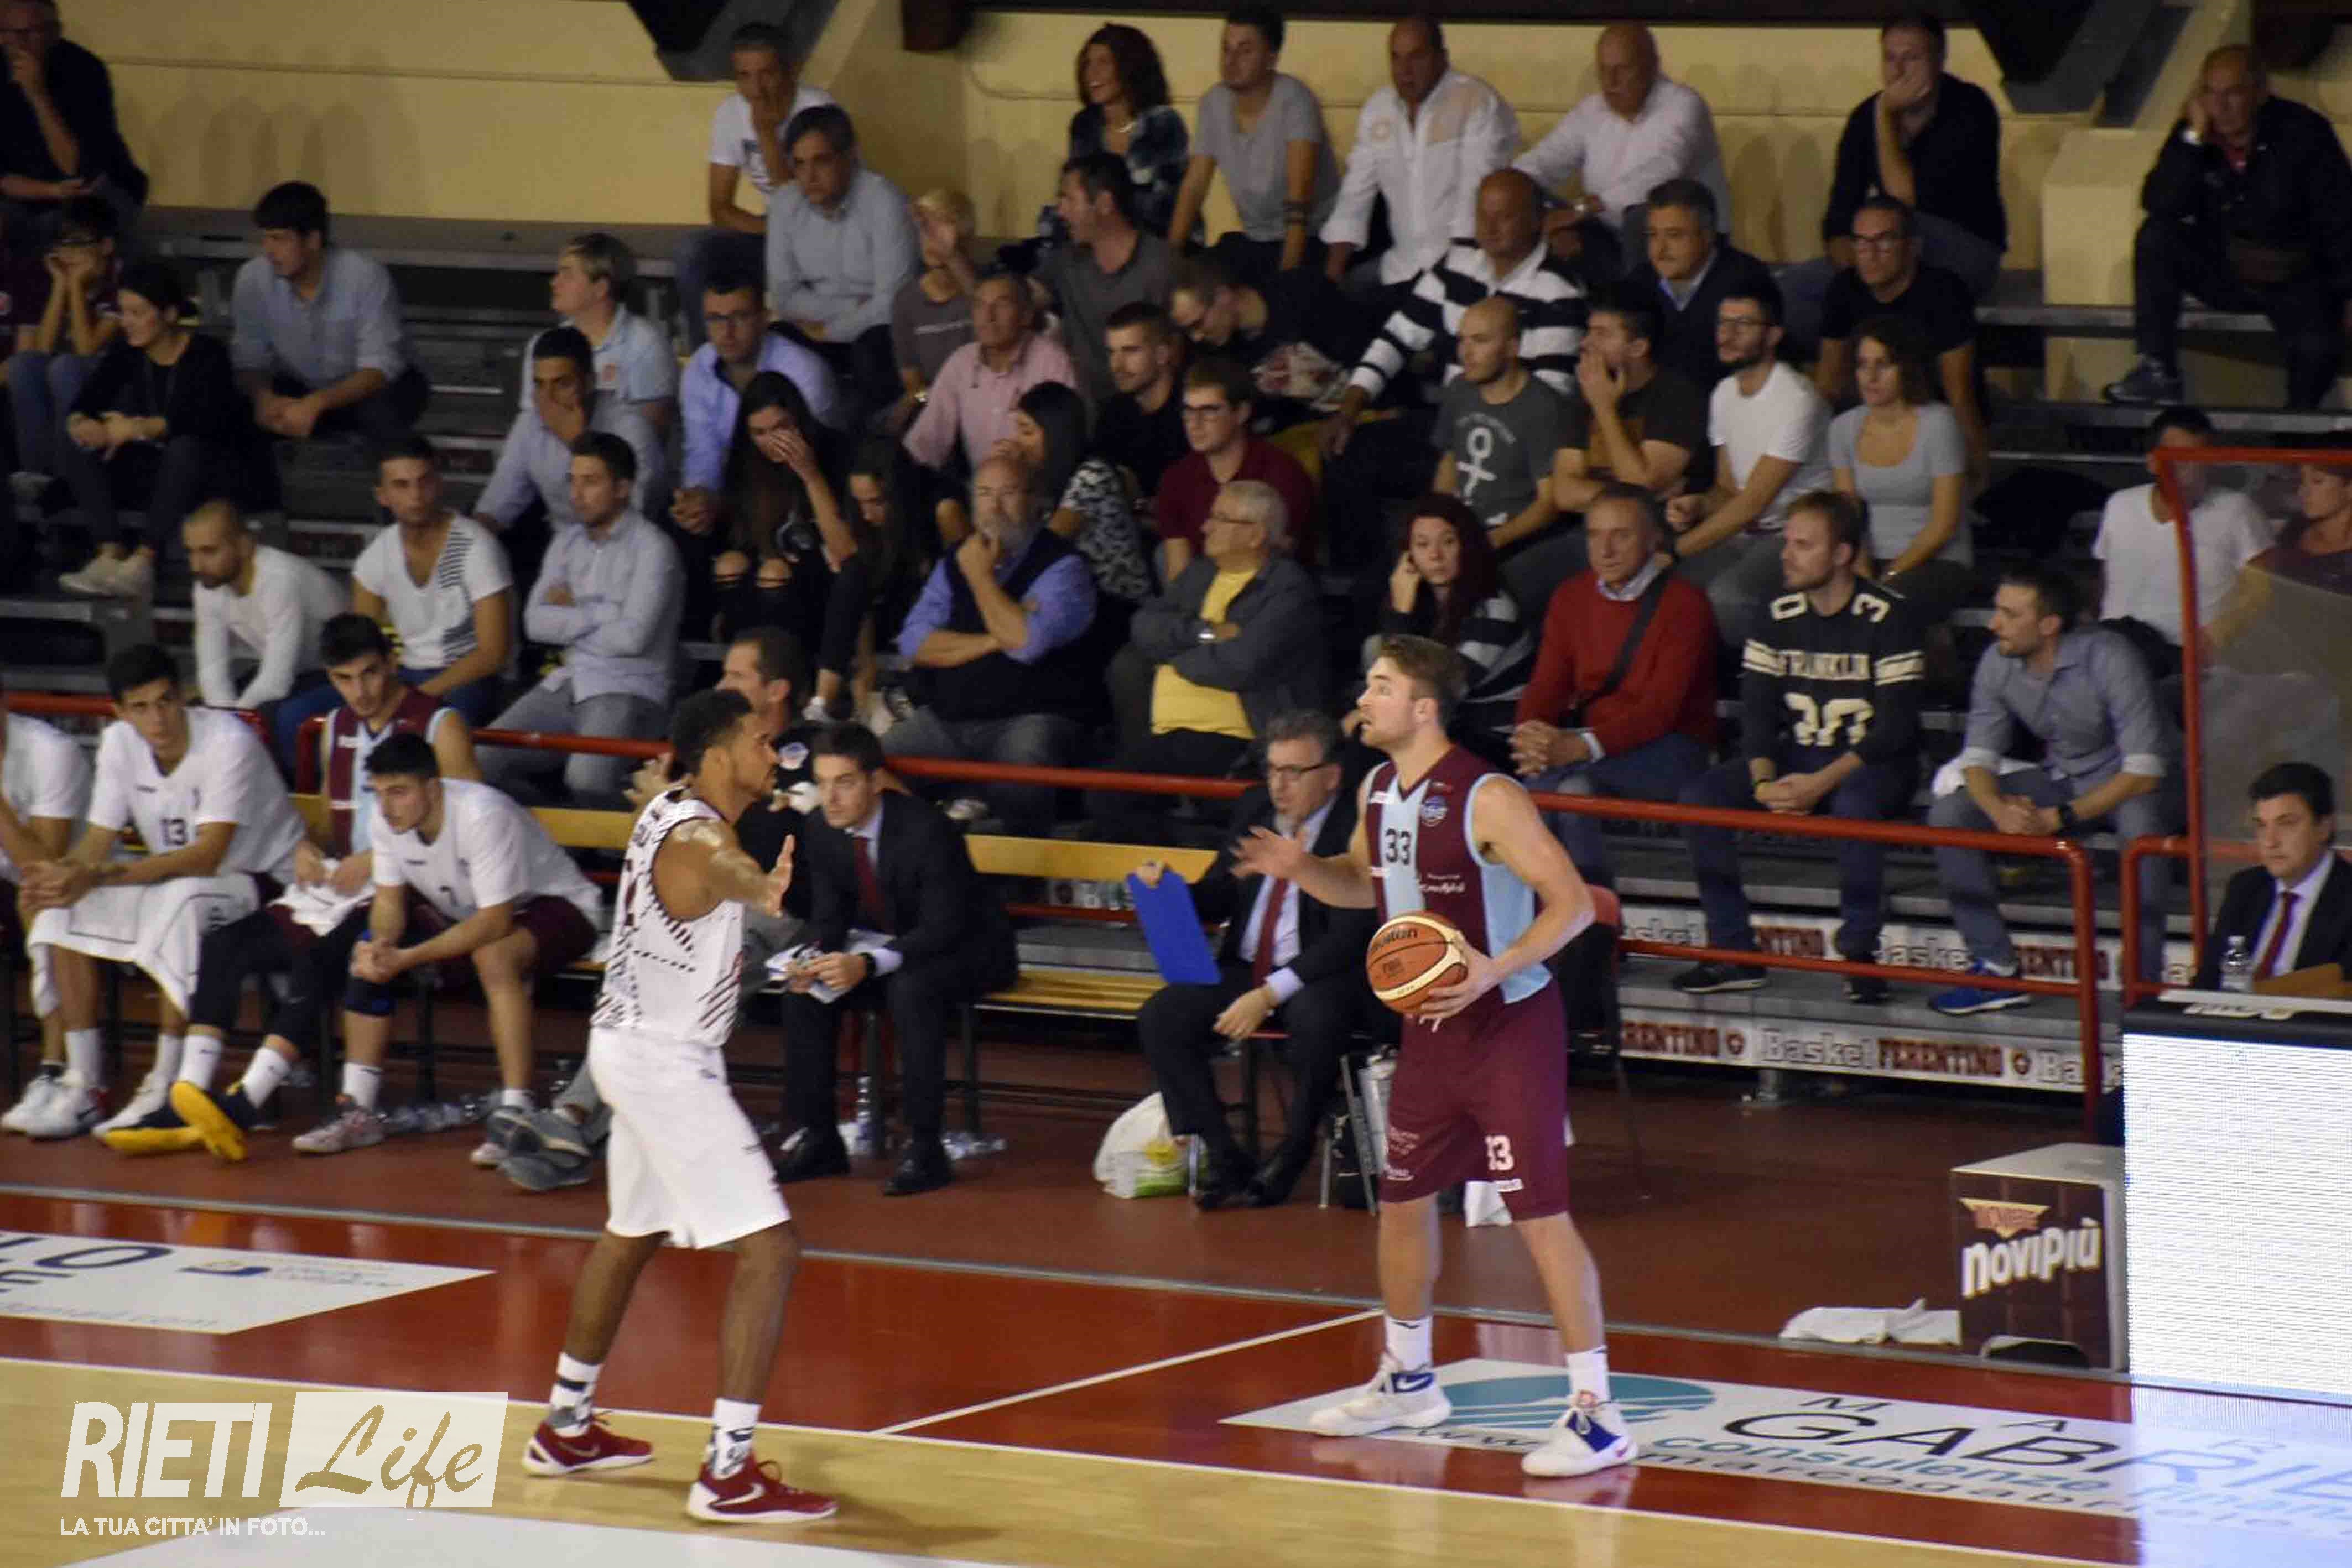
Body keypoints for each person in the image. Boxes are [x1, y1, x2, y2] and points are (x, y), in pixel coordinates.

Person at [1236, 633, 1633, 1480]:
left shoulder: (1489, 796)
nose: (1363, 698)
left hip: (1509, 1027)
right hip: (1430, 1031)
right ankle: (1409, 1377)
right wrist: (1301, 867)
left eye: (1380, 685)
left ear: (1423, 708)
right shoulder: (1377, 789)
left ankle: (1599, 1412)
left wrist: (1496, 965)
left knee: (1539, 1215)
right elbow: (1362, 883)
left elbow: (1573, 904)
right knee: (1404, 1200)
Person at [516, 688, 836, 1524]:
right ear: (720, 755)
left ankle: (565, 1425)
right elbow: (719, 867)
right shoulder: (702, 835)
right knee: (771, 1248)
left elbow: (695, 912)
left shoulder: (667, 809)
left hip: (626, 1046)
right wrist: (761, 885)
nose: (772, 754)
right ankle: (728, 1472)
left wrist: (773, 950)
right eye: (760, 741)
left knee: (632, 1232)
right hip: (663, 1063)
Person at [155, 616, 479, 1165]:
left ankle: (250, 1099)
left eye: (370, 673)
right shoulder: (334, 727)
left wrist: (375, 860)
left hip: (421, 891)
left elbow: (466, 826)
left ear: (392, 663)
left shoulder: (440, 725)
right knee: (227, 942)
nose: (361, 691)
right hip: (344, 888)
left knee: (325, 956)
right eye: (345, 679)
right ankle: (187, 1093)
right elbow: (330, 824)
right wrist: (307, 847)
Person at [19, 643, 305, 1139]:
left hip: (264, 880)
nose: (158, 719)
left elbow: (207, 855)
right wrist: (64, 876)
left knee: (182, 904)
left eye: (166, 701)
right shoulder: (117, 743)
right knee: (63, 905)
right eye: (141, 707)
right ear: (120, 711)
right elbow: (98, 839)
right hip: (179, 878)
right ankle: (84, 1083)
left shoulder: (228, 742)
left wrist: (99, 874)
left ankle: (167, 1082)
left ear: (184, 697)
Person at [288, 734, 605, 1163]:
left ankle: (516, 1108)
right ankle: (356, 1110)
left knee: (493, 957)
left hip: (558, 906)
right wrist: (382, 945)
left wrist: (408, 958)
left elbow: (495, 922)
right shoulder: (387, 821)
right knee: (366, 951)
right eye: (379, 793)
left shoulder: (482, 815)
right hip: (466, 913)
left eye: (399, 792)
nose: (386, 807)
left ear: (433, 788)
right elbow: (389, 903)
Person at [1673, 493, 1924, 1003]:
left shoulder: (1889, 616)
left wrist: (1818, 784)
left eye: (1803, 545)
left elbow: (1894, 730)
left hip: (1874, 763)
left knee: (1855, 806)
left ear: (1843, 554)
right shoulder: (1775, 614)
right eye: (1787, 542)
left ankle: (1860, 954)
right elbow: (1758, 715)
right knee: (1702, 796)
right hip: (1800, 753)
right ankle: (1732, 950)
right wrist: (1765, 782)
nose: (1786, 555)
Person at [1136, 710, 1386, 1208]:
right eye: (1272, 770)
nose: (1279, 786)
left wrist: (1270, 994)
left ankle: (1294, 1150)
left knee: (1319, 1018)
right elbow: (1222, 893)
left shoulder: (1354, 827)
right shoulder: (1255, 808)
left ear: (1331, 777)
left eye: (1294, 772)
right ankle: (1223, 1153)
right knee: (1163, 1015)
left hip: (1321, 973)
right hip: (1248, 965)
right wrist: (1169, 890)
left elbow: (1351, 937)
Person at [774, 723, 1017, 1197]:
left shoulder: (928, 829)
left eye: (844, 783)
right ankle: (820, 1137)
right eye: (822, 783)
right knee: (805, 993)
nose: (831, 798)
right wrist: (812, 959)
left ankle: (925, 1147)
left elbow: (944, 926)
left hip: (967, 949)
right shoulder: (820, 828)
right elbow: (829, 917)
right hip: (891, 949)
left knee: (912, 988)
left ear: (875, 781)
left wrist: (867, 964)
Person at [1927, 568, 2178, 1012]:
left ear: (2049, 625)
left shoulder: (2110, 655)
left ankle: (2145, 985)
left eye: (2010, 614)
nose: (1994, 624)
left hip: (2136, 787)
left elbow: (2145, 770)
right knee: (1951, 813)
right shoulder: (1998, 660)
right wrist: (1998, 809)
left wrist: (2057, 818)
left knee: (2141, 828)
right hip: (2063, 778)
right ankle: (1996, 968)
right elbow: (1978, 757)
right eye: (1997, 610)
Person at [2106, 46, 2352, 412]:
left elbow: (2341, 217)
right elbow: (2161, 203)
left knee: (2315, 356)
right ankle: (2157, 371)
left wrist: (2348, 291)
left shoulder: (2303, 132)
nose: (2220, 106)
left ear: (2259, 93)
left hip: (2295, 276)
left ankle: (2295, 434)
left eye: (2233, 93)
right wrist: (2192, 140)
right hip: (2226, 269)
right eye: (2209, 93)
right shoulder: (2195, 134)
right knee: (2157, 236)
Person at [1318, 169, 1585, 483]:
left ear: (1537, 221)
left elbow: (1550, 399)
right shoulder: (1458, 261)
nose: (1490, 228)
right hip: (1445, 423)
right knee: (1343, 450)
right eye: (1483, 216)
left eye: (1505, 217)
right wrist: (1348, 411)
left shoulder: (1559, 292)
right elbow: (1397, 337)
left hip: (1509, 440)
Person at [1514, 485, 1719, 889]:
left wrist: (1581, 746)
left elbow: (1660, 711)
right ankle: (1546, 914)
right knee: (1525, 794)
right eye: (1594, 535)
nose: (1605, 550)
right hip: (1593, 743)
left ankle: (1597, 915)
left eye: (1621, 536)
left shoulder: (1685, 604)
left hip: (1672, 746)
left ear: (1653, 539)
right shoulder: (1571, 596)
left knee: (1574, 793)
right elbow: (1547, 685)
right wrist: (1531, 737)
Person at [1093, 479, 1325, 835]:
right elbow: (1144, 626)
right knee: (1102, 794)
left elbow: (1241, 665)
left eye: (1219, 518)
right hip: (1169, 736)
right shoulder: (1200, 574)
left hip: (1235, 739)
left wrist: (1172, 658)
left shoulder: (1288, 587)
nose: (1205, 527)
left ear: (1255, 535)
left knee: (1118, 798)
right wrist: (1204, 634)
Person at [886, 452, 1097, 833]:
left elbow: (1027, 645)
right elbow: (914, 642)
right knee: (873, 767)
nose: (995, 507)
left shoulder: (1065, 566)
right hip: (948, 720)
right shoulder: (955, 561)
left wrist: (981, 577)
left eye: (1008, 493)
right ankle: (925, 850)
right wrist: (994, 640)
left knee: (1022, 772)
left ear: (1036, 502)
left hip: (1029, 717)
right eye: (984, 494)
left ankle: (1022, 865)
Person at [480, 434, 684, 809]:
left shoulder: (653, 547)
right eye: (572, 480)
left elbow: (633, 639)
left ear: (622, 488)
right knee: (479, 760)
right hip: (570, 681)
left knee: (587, 781)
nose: (576, 493)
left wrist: (570, 617)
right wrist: (604, 613)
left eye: (590, 482)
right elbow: (534, 623)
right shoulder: (566, 541)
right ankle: (550, 829)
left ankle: (635, 841)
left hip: (629, 687)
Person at [1784, 11, 2007, 350]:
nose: (1898, 71)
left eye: (1911, 58)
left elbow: (1907, 201)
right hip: (1882, 253)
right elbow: (1841, 211)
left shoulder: (1970, 108)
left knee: (1891, 234)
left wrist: (1886, 117)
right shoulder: (1864, 116)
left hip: (1962, 249)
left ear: (1940, 60)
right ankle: (1863, 372)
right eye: (1890, 58)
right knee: (1786, 292)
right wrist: (1850, 263)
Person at [54, 259, 262, 601]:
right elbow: (88, 400)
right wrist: (85, 424)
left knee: (184, 447)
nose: (127, 323)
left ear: (169, 314)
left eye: (138, 313)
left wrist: (140, 428)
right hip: (150, 470)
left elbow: (209, 419)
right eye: (124, 313)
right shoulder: (127, 351)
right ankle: (110, 551)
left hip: (204, 473)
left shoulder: (208, 354)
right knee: (76, 439)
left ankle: (144, 560)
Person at [1665, 284, 1834, 649]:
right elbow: (1728, 489)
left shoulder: (1796, 400)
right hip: (1746, 532)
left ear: (1773, 335)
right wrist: (1698, 504)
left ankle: (1759, 677)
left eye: (1743, 324)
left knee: (1729, 596)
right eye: (1723, 322)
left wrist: (1674, 550)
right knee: (1672, 586)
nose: (1727, 334)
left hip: (1793, 533)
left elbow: (1754, 501)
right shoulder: (1723, 393)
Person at [700, 373, 865, 718]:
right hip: (772, 579)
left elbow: (846, 550)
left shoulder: (836, 452)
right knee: (730, 565)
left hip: (825, 581)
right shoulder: (747, 464)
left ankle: (790, 688)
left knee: (774, 573)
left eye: (781, 428)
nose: (771, 441)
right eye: (759, 433)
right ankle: (744, 680)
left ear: (798, 420)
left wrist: (810, 474)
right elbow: (745, 538)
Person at [1321, 15, 1518, 300]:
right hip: (1399, 267)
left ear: (1442, 58)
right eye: (1396, 58)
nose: (1405, 70)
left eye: (1417, 57)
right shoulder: (1378, 110)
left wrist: (1443, 288)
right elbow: (1354, 199)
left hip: (1464, 270)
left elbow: (1473, 201)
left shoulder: (1475, 101)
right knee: (1326, 303)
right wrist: (1330, 283)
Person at [231, 181, 430, 445]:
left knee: (383, 415)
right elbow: (250, 358)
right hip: (301, 385)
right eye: (266, 238)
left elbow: (380, 366)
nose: (269, 250)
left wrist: (317, 403)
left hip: (371, 387)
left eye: (280, 239)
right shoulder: (253, 278)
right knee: (234, 414)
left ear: (313, 241)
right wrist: (263, 399)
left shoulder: (364, 276)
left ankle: (400, 471)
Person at [677, 20, 834, 349]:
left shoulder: (818, 109)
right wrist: (771, 229)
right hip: (774, 232)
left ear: (790, 70)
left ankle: (806, 361)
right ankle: (708, 359)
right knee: (694, 251)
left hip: (826, 232)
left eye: (767, 74)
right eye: (744, 77)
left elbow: (801, 208)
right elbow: (720, 209)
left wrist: (766, 135)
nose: (756, 89)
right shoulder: (730, 113)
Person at [1515, 23, 1731, 262]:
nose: (1611, 82)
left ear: (1652, 66)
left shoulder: (1684, 105)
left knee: (1645, 216)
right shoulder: (1591, 110)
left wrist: (1584, 209)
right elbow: (1546, 158)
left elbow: (1665, 171)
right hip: (1605, 233)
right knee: (1524, 196)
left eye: (1622, 70)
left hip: (1685, 238)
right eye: (1603, 71)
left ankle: (1632, 288)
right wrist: (1511, 188)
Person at [1548, 289, 1705, 604]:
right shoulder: (1584, 394)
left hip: (1653, 537)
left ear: (1638, 348)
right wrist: (1641, 495)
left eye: (1602, 334)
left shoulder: (1677, 396)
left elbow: (1642, 483)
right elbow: (1564, 492)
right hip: (1590, 531)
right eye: (1589, 332)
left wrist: (1604, 408)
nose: (1586, 344)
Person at [348, 436, 516, 729]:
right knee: (300, 715)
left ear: (438, 483)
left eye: (424, 482)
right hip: (407, 673)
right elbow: (363, 644)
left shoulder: (476, 546)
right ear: (382, 495)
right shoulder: (376, 555)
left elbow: (494, 653)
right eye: (401, 485)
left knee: (425, 727)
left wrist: (416, 697)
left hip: (471, 676)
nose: (416, 496)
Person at [1165, 6, 1342, 283]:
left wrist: (1287, 282)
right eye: (1226, 49)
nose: (1231, 60)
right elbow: (1194, 187)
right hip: (1255, 240)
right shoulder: (1214, 103)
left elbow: (1299, 203)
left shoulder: (1295, 101)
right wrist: (1169, 258)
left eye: (1245, 51)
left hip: (1312, 238)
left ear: (1272, 57)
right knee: (1197, 284)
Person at [764, 105, 917, 415]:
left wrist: (829, 331)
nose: (809, 176)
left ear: (851, 156)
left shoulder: (885, 201)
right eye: (799, 164)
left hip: (875, 332)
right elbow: (784, 296)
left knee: (874, 347)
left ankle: (872, 441)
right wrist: (850, 309)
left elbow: (892, 304)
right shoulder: (784, 205)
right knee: (776, 341)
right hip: (821, 327)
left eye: (821, 161)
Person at [1814, 197, 1986, 472]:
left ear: (1912, 247)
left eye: (1883, 242)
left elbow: (1959, 392)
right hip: (1871, 418)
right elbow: (1828, 384)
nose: (1870, 254)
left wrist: (1977, 467)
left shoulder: (1944, 292)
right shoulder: (1844, 290)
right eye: (1861, 242)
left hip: (1931, 422)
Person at [677, 269, 843, 550]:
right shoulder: (698, 368)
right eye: (716, 319)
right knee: (687, 528)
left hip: (806, 493)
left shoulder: (804, 371)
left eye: (740, 317)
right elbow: (702, 452)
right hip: (737, 494)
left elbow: (818, 454)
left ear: (764, 318)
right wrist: (700, 498)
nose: (727, 331)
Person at [1827, 312, 1974, 626]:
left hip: (1936, 560)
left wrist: (1890, 576)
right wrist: (1863, 573)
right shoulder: (1843, 428)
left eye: (1883, 365)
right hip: (1868, 559)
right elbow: (1849, 513)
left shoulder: (1939, 424)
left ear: (1906, 369)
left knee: (1883, 609)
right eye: (1862, 365)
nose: (1870, 377)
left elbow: (1944, 523)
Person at [2095, 407, 2271, 668]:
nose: (2189, 470)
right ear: (2153, 462)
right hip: (2117, 653)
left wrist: (2220, 632)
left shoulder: (2237, 509)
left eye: (2197, 458)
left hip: (2193, 663)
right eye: (2176, 458)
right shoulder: (2120, 505)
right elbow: (2106, 579)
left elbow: (2265, 588)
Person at [1428, 295, 1572, 606]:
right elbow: (1449, 461)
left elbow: (1549, 502)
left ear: (1512, 348)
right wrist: (1437, 521)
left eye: (1480, 341)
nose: (1466, 353)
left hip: (1512, 536)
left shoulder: (1544, 407)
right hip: (1463, 529)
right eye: (1462, 340)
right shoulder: (1459, 390)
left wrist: (1489, 541)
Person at [1369, 495, 1534, 764]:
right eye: (1423, 545)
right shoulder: (1420, 602)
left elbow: (1439, 692)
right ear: (1408, 556)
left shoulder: (1494, 607)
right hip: (1446, 727)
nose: (1435, 556)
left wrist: (1400, 615)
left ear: (1467, 547)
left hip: (1494, 739)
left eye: (1448, 542)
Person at [0, 666, 93, 1140]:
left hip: (74, 879)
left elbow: (43, 863)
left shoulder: (51, 752)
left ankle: (54, 1071)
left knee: (40, 900)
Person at [183, 499, 345, 758]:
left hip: (337, 672)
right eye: (191, 552)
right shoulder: (208, 585)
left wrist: (234, 723)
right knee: (199, 714)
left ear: (245, 546)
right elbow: (212, 670)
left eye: (209, 552)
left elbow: (276, 681)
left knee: (275, 719)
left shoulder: (279, 579)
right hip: (296, 671)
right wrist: (223, 717)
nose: (196, 566)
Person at [478, 326, 668, 537]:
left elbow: (630, 520)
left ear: (589, 383)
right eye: (540, 385)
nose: (548, 399)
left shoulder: (631, 428)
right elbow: (494, 511)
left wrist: (577, 441)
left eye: (562, 384)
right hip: (563, 547)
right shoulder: (530, 424)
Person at [902, 270, 1078, 487]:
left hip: (1040, 491)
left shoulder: (1052, 361)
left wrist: (1025, 461)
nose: (988, 316)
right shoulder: (961, 362)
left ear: (1026, 315)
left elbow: (1066, 446)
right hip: (981, 495)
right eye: (979, 306)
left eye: (1001, 305)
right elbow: (927, 443)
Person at [0, 0, 145, 254]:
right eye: (9, 33)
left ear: (54, 33)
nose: (19, 43)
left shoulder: (83, 70)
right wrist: (50, 191)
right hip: (28, 195)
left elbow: (77, 169)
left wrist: (37, 95)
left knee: (81, 228)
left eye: (31, 33)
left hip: (91, 194)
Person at [1169, 252, 1372, 433]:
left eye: (1198, 323)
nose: (1196, 337)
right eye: (1188, 330)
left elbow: (1365, 352)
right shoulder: (1218, 355)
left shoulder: (1302, 292)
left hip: (1370, 407)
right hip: (1312, 434)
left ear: (1223, 296)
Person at [1005, 380, 1155, 618]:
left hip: (1119, 607)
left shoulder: (1093, 476)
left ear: (1056, 434)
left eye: (1027, 432)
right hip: (1075, 598)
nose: (1018, 441)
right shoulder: (1044, 479)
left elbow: (1046, 546)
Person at [2194, 762, 2352, 988]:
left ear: (2324, 828)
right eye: (2261, 826)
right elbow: (2207, 983)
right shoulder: (2245, 887)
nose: (2270, 842)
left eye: (2286, 824)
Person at [1153, 357, 1315, 577]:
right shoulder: (1176, 479)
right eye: (1189, 411)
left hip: (1268, 588)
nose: (1195, 424)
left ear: (1241, 413)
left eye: (1209, 411)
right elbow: (1178, 573)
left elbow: (1276, 567)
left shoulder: (1282, 473)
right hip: (1203, 588)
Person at [1036, 153, 1175, 408]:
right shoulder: (1066, 261)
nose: (1060, 211)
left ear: (1104, 203)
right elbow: (1009, 304)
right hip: (1088, 416)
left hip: (1149, 415)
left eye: (1068, 199)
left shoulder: (1161, 265)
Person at [1622, 177, 1775, 392]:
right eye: (1653, 235)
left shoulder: (1746, 280)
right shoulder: (1640, 282)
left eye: (1674, 236)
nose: (1660, 250)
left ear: (1707, 236)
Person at [7, 192, 117, 478]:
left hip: (110, 379)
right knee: (22, 365)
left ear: (106, 246)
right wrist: (60, 285)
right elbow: (39, 354)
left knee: (64, 367)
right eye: (62, 243)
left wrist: (76, 287)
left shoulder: (119, 283)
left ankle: (67, 478)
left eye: (79, 243)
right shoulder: (46, 277)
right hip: (61, 370)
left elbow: (86, 350)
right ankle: (35, 477)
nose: (68, 253)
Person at [527, 233, 678, 436]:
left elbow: (650, 438)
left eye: (568, 275)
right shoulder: (543, 344)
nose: (554, 283)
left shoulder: (646, 345)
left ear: (600, 288)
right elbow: (530, 427)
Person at [1064, 23, 1191, 242]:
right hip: (1100, 244)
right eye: (1087, 64)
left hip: (1158, 243)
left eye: (1103, 63)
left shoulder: (1162, 123)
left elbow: (1167, 205)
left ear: (1129, 68)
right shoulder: (1084, 125)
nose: (1091, 74)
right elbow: (1079, 195)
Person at [888, 190, 980, 431]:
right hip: (930, 404)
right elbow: (914, 386)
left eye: (942, 226)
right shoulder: (906, 300)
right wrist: (926, 399)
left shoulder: (983, 286)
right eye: (926, 229)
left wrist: (952, 258)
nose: (932, 238)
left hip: (980, 401)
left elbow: (983, 306)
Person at [1096, 301, 1191, 504]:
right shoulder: (1113, 413)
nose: (1117, 365)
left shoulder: (1194, 409)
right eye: (1111, 352)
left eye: (1131, 351)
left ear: (1162, 355)